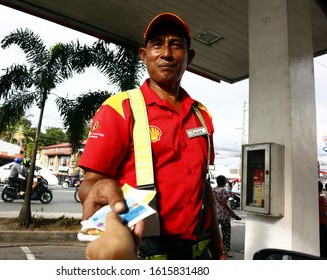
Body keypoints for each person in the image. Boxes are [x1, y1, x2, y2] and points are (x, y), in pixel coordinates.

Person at [78, 12, 226, 259]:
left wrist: (219, 250)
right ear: (144, 56)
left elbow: (204, 186)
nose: (166, 53)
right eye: (157, 45)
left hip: (200, 252)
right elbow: (91, 184)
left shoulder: (202, 115)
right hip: (143, 251)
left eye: (176, 45)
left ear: (189, 57)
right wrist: (98, 188)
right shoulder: (118, 109)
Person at [213, 175, 241, 258]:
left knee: (215, 234)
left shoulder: (214, 190)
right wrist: (233, 214)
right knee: (226, 234)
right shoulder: (224, 191)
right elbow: (225, 204)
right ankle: (225, 251)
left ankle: (216, 250)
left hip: (216, 214)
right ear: (224, 182)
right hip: (224, 215)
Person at [318, 181, 327, 257]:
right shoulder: (321, 199)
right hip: (321, 225)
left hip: (313, 225)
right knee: (323, 246)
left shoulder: (310, 199)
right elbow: (323, 213)